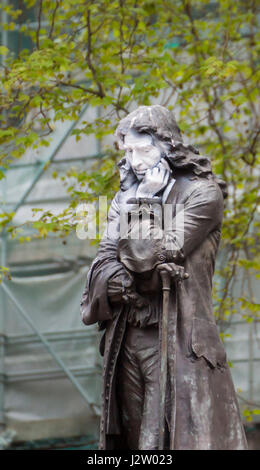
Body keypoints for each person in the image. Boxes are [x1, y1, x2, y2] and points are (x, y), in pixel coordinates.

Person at [80, 105, 247, 450]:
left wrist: (143, 204)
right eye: (128, 151)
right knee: (133, 438)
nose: (135, 161)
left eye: (144, 150)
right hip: (127, 338)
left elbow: (151, 254)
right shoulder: (124, 196)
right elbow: (101, 266)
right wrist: (131, 284)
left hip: (176, 338)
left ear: (168, 146)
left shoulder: (201, 194)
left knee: (162, 442)